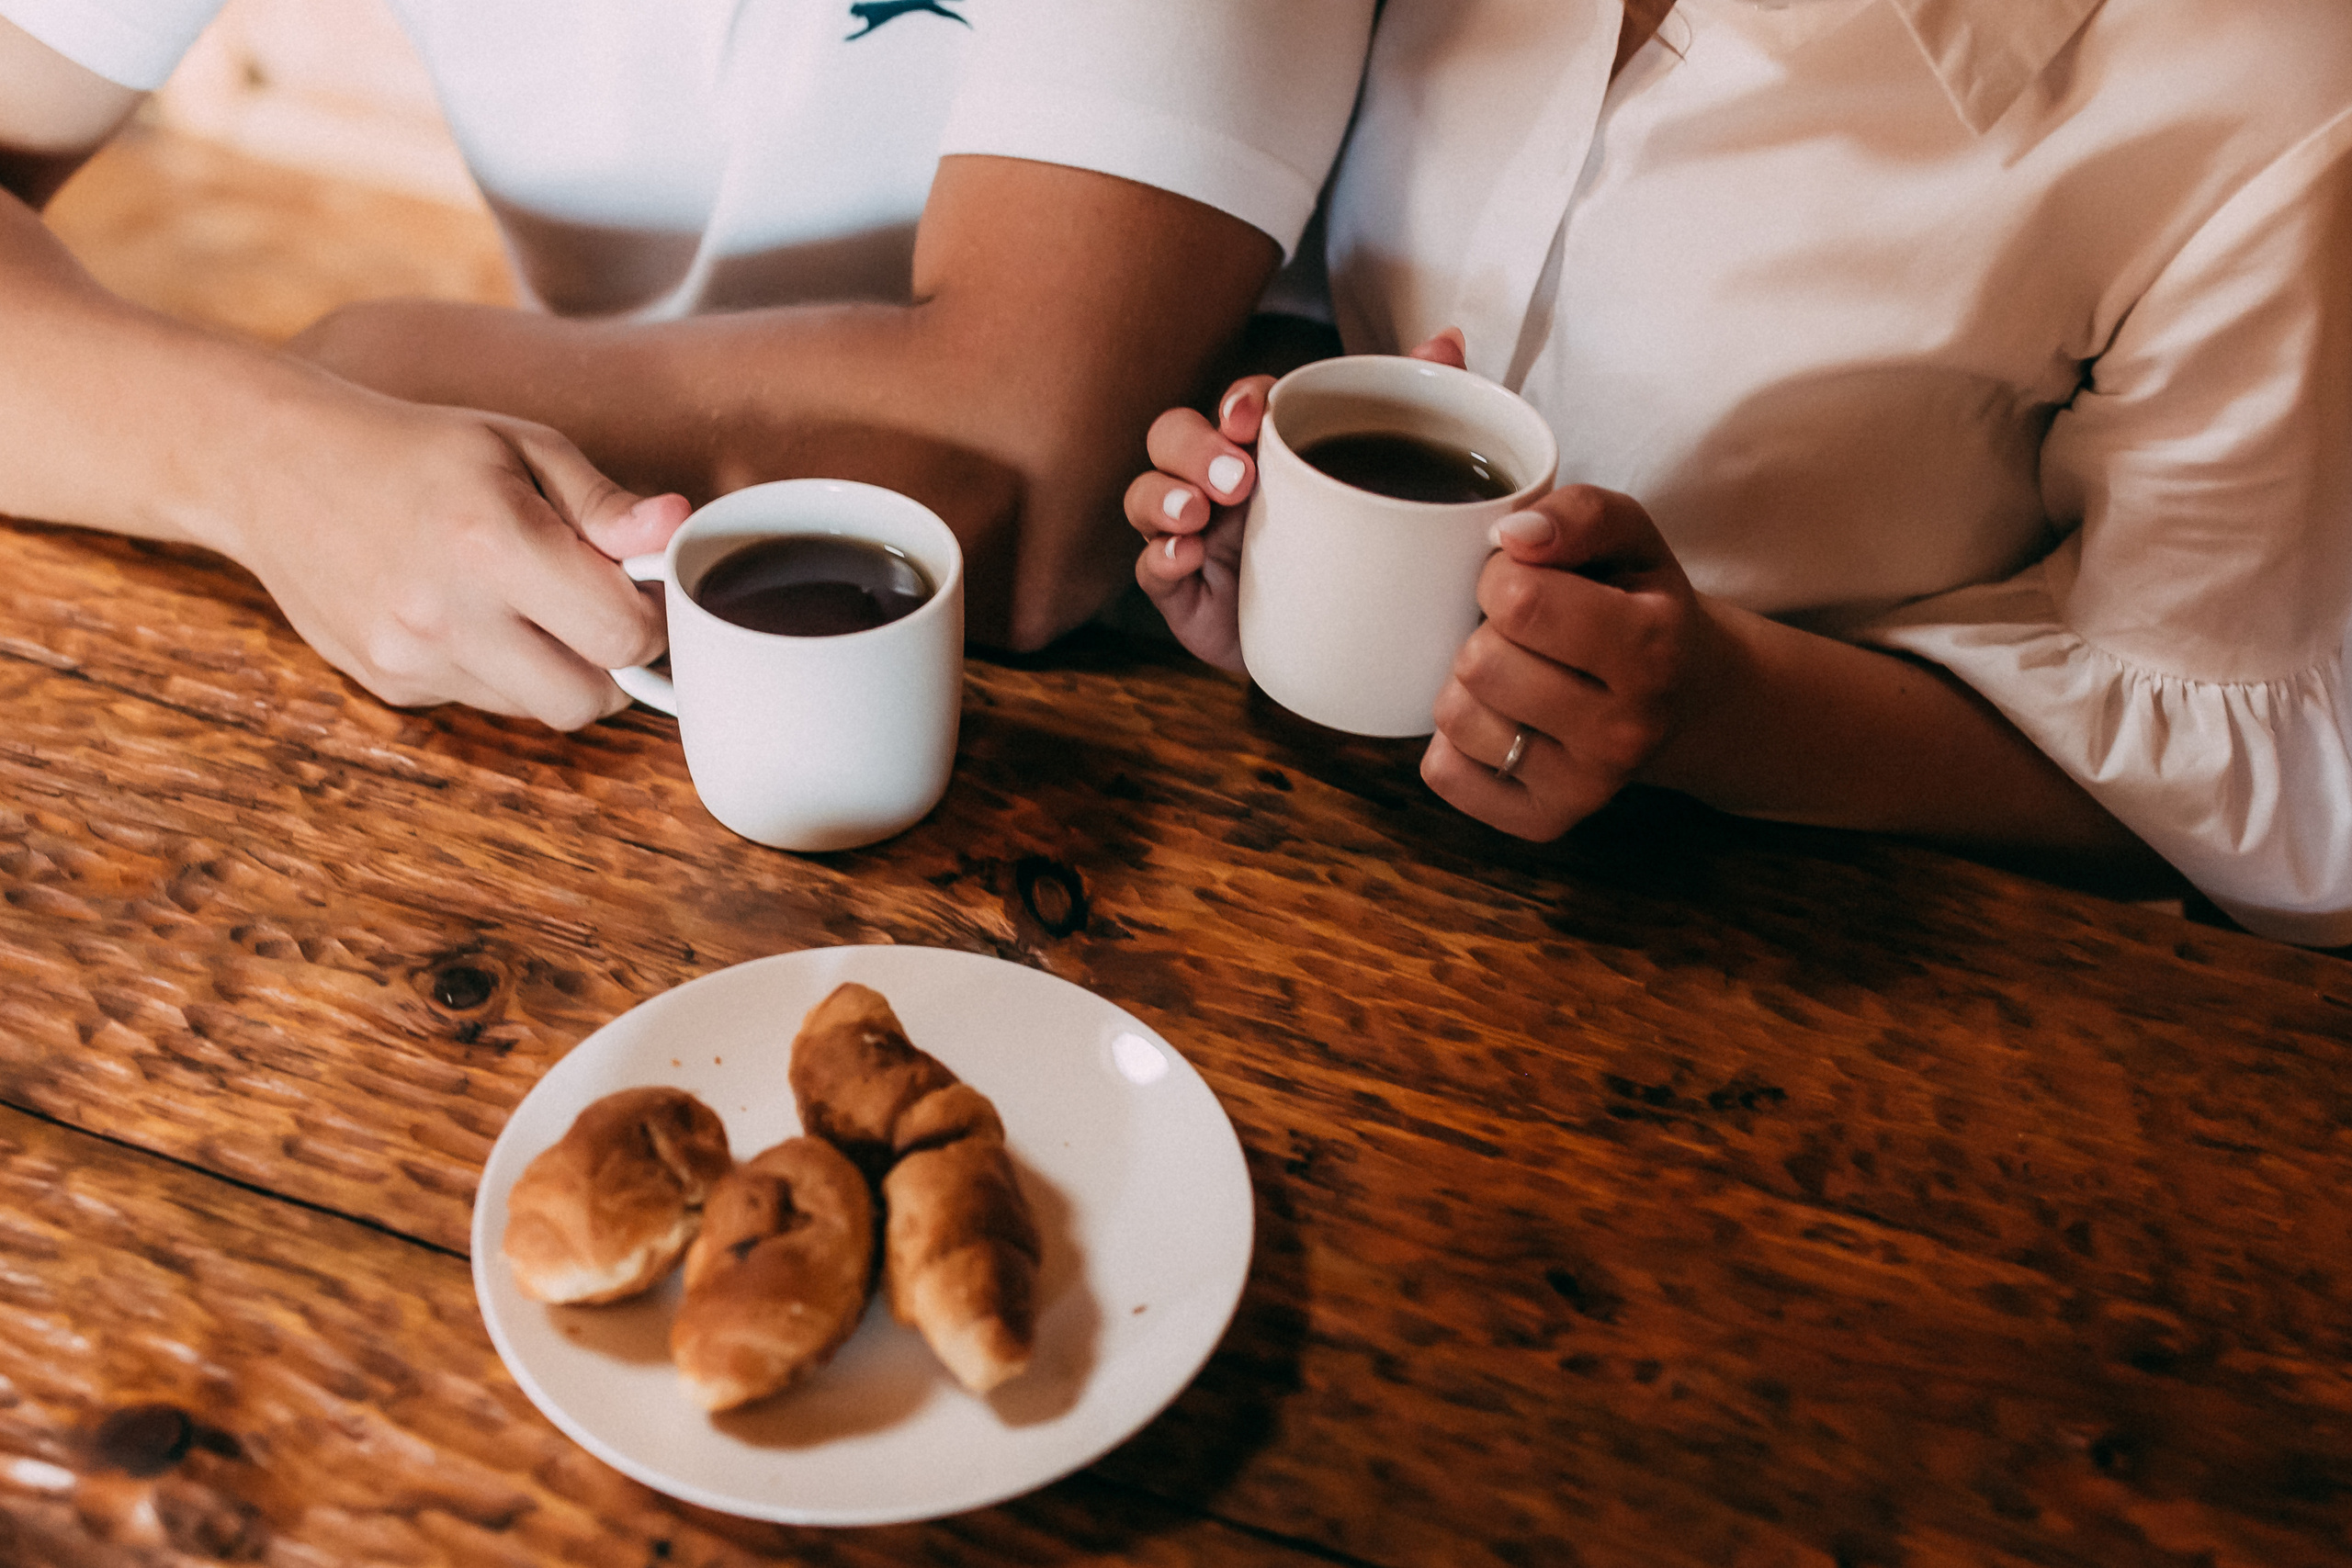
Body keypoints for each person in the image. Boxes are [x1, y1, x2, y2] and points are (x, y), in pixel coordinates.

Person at [1128, 0, 2352, 946]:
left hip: (1783, 958)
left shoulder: (2261, 91)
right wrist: (1276, 531)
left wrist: (1720, 711)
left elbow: (2217, 810)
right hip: (1277, 845)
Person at [0, 0, 1373, 727]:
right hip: (560, 638)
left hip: (1153, 709)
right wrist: (264, 453)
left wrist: (359, 364)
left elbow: (1019, 486)